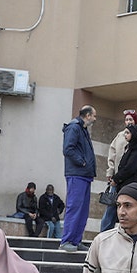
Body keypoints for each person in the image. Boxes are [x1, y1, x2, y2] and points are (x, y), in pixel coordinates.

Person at [62, 105, 98, 252]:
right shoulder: (74, 127)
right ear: (88, 115)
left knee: (82, 210)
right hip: (77, 174)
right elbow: (67, 149)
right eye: (94, 116)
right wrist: (82, 162)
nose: (95, 119)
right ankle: (66, 241)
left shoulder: (82, 129)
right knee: (74, 207)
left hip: (84, 175)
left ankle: (76, 241)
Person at [100, 124, 137, 236]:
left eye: (128, 133)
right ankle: (105, 235)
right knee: (112, 211)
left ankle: (106, 235)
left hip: (128, 187)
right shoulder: (129, 148)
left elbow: (129, 168)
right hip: (122, 184)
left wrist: (116, 178)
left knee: (121, 212)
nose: (125, 135)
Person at [101, 109, 137, 232]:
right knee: (111, 207)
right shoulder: (119, 136)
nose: (128, 122)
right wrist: (110, 172)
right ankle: (104, 234)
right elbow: (112, 154)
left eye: (131, 119)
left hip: (130, 180)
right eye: (126, 119)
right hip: (116, 179)